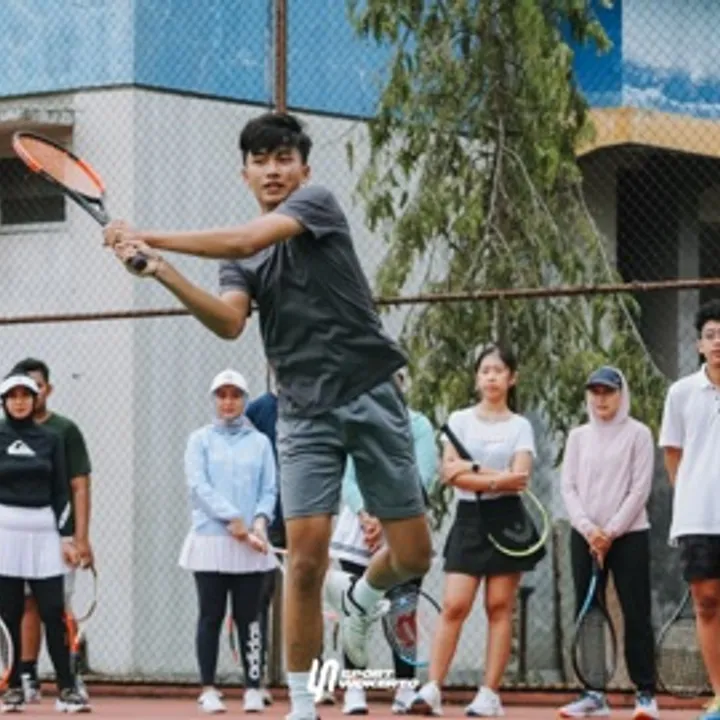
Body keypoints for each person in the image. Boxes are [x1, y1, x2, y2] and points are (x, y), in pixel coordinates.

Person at [103, 111, 432, 720]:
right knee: (304, 562)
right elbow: (230, 321)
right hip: (302, 413)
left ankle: (362, 600)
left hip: (370, 392)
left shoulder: (316, 205)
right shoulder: (240, 264)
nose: (273, 170)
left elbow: (246, 240)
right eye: (260, 161)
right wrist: (162, 271)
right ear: (245, 174)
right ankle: (303, 704)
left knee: (413, 555)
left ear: (304, 170)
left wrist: (149, 236)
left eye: (284, 159)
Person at [410, 344, 545, 717]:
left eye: (498, 371)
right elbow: (449, 473)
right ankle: (432, 689)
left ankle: (489, 694)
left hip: (508, 520)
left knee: (499, 607)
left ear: (512, 378)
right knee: (454, 605)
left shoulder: (520, 426)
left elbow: (520, 479)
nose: (491, 377)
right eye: (485, 371)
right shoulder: (459, 420)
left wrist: (474, 472)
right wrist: (496, 478)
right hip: (470, 519)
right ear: (477, 378)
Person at [330, 369, 438, 715]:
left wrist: (388, 517)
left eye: (394, 382)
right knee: (355, 611)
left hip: (404, 525)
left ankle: (405, 688)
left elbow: (423, 476)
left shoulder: (419, 426)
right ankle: (355, 688)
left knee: (402, 611)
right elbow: (348, 478)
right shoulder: (357, 424)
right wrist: (367, 514)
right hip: (360, 530)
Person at [558, 366, 658, 720]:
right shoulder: (577, 437)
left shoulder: (639, 434)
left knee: (636, 612)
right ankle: (593, 694)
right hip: (584, 536)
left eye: (608, 391)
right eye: (595, 392)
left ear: (621, 394)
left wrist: (610, 532)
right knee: (588, 614)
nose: (601, 399)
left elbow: (640, 489)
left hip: (630, 535)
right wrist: (589, 530)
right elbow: (568, 487)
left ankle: (645, 694)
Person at [179, 369, 278, 714]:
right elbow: (198, 487)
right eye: (222, 395)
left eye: (235, 395)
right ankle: (208, 688)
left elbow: (269, 489)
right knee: (211, 615)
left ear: (245, 400)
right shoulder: (200, 440)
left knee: (250, 617)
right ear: (214, 400)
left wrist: (260, 522)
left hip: (250, 545)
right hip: (210, 539)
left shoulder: (260, 443)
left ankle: (252, 687)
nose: (228, 402)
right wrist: (232, 519)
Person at [0, 373, 89, 713]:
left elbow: (61, 491)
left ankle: (66, 689)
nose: (19, 401)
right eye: (12, 396)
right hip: (5, 531)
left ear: (36, 398)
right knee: (8, 611)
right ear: (4, 402)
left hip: (45, 532)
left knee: (53, 610)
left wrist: (68, 538)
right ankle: (11, 688)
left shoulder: (52, 439)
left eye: (26, 395)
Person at [659, 299, 720, 720]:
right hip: (698, 518)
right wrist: (691, 498)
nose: (718, 343)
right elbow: (673, 454)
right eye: (711, 335)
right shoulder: (680, 393)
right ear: (699, 344)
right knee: (707, 602)